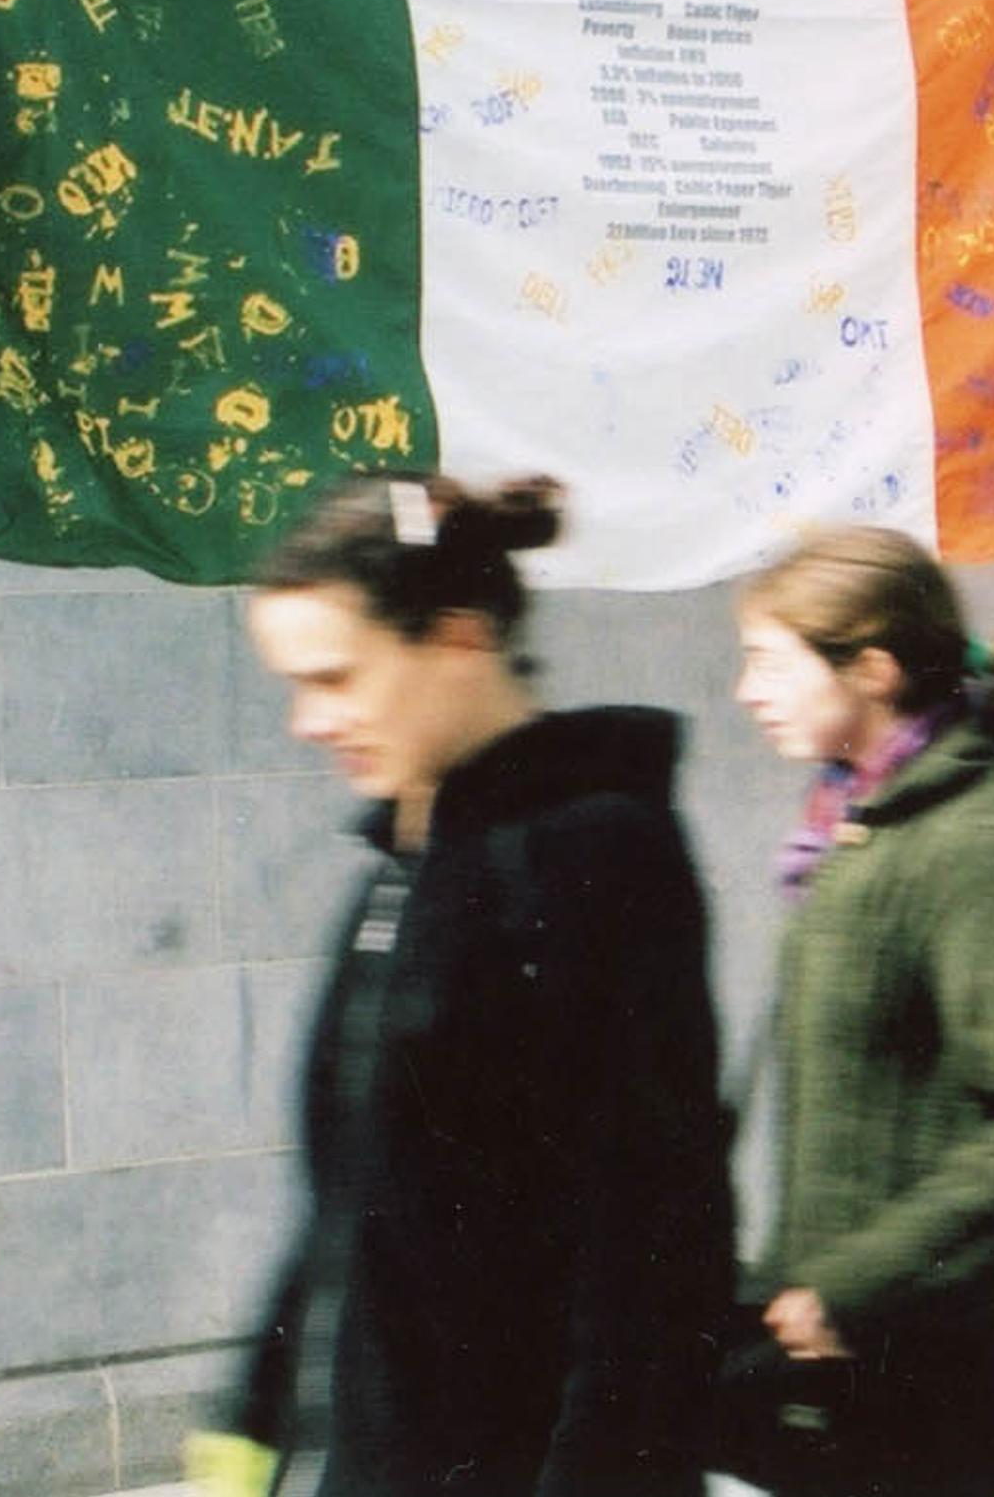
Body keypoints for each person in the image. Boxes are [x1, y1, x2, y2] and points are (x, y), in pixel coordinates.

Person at [199, 471, 733, 1497]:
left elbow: (655, 1242)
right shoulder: (406, 863)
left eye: (336, 677)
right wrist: (248, 1427)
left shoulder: (593, 854)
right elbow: (348, 1203)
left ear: (458, 638)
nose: (308, 722)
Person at [729, 525, 994, 1497]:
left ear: (869, 669)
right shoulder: (856, 830)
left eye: (767, 662)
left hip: (945, 1383)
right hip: (856, 1371)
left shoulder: (981, 841)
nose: (747, 691)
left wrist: (856, 1287)